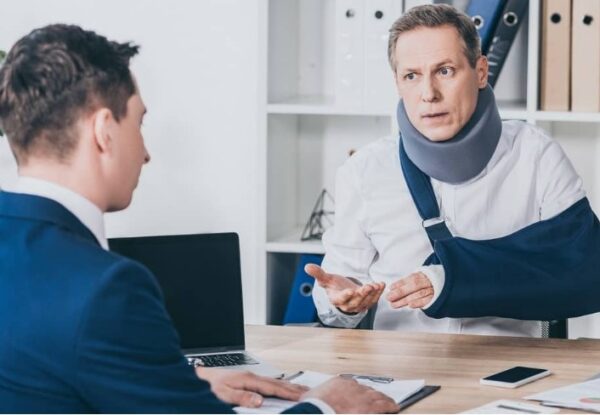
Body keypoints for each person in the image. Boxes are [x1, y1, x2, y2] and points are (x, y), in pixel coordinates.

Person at [0, 24, 400, 414]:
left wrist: (177, 380)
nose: (145, 153)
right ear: (104, 131)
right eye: (139, 123)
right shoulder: (107, 289)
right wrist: (324, 406)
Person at [308, 4, 600, 337]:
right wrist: (344, 304)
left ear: (480, 72)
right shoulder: (364, 170)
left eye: (445, 71)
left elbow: (586, 269)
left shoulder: (535, 154)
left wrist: (449, 279)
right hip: (400, 363)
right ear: (398, 83)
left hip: (509, 362)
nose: (428, 94)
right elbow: (337, 296)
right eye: (411, 76)